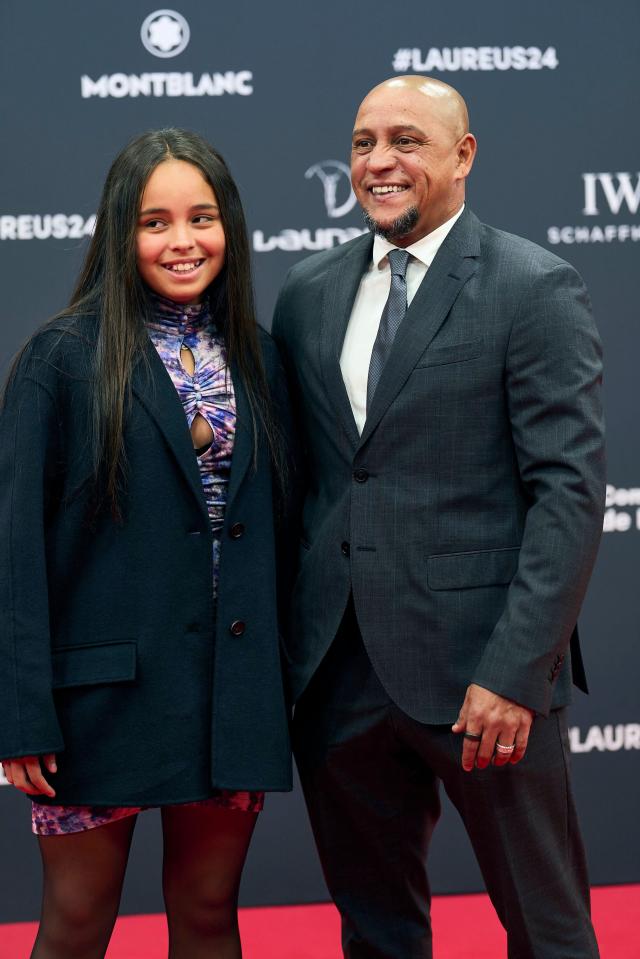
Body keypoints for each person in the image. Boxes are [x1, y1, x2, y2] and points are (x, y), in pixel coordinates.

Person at [272, 76, 604, 959]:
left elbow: (568, 494)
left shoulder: (533, 286)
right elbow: (306, 484)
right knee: (376, 931)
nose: (379, 161)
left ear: (464, 156)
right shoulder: (306, 293)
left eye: (407, 140)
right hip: (337, 674)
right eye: (363, 141)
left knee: (549, 929)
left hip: (482, 681)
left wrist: (515, 671)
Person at [0, 128, 293, 959]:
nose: (182, 241)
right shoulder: (58, 359)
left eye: (201, 217)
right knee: (77, 924)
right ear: (120, 232)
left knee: (208, 919)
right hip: (97, 702)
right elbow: (14, 552)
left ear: (228, 227)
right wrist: (20, 715)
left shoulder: (261, 357)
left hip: (224, 695)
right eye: (154, 221)